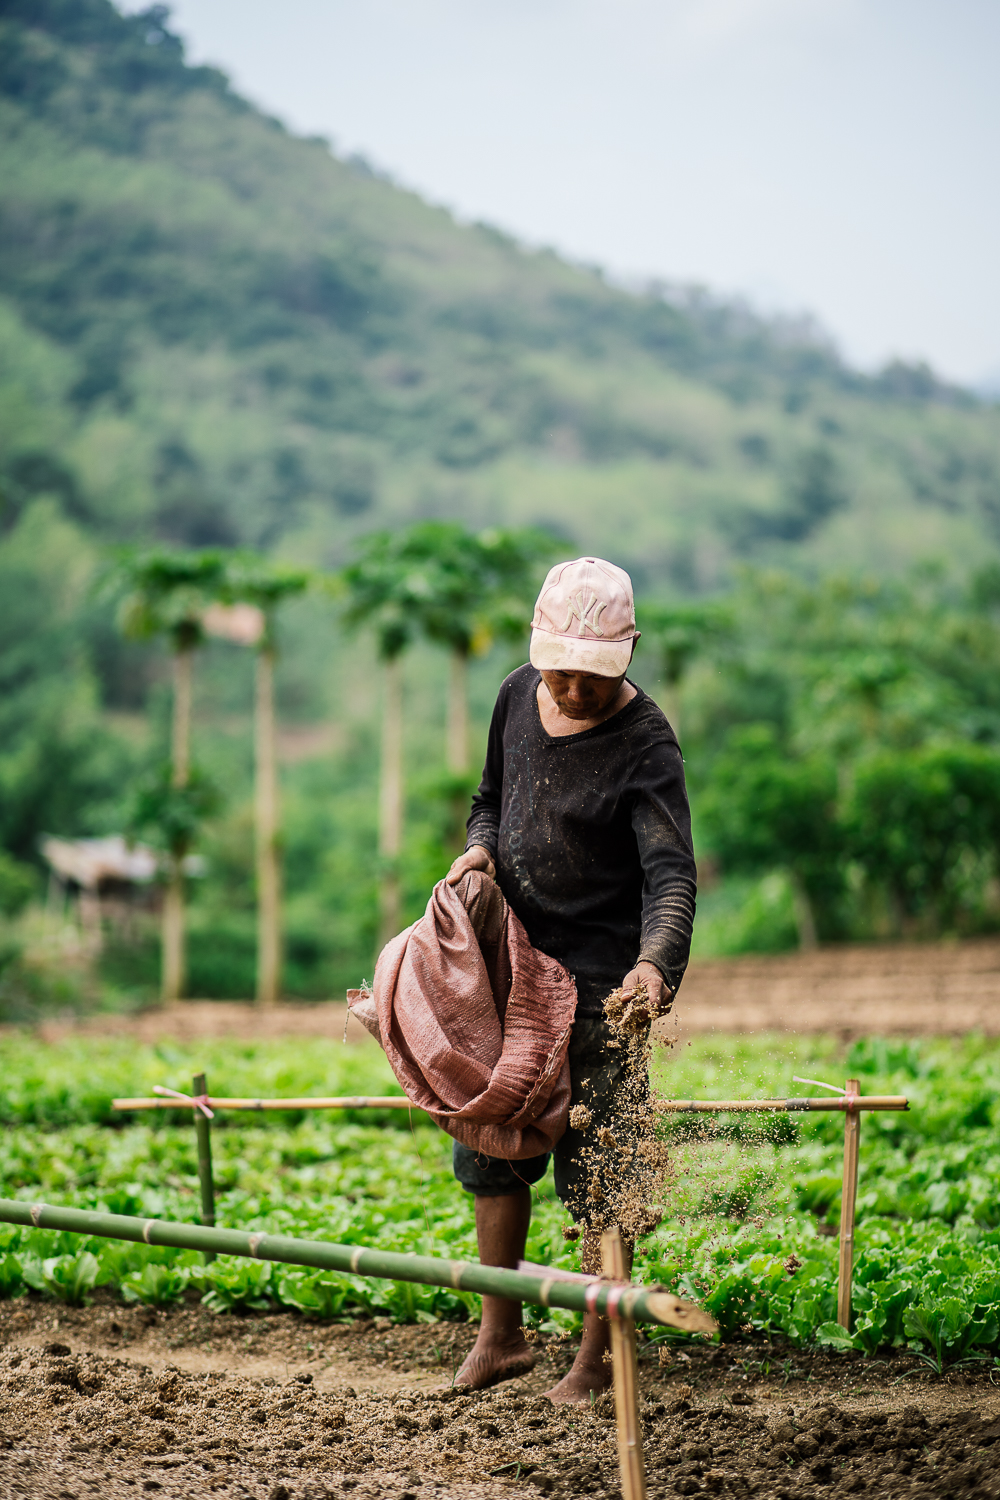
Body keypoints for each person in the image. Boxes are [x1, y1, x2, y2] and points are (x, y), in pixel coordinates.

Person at [445, 556, 697, 1403]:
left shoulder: (646, 743)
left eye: (591, 676)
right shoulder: (517, 695)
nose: (572, 689)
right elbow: (489, 798)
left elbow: (671, 877)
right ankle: (501, 1335)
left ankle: (595, 1357)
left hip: (599, 990)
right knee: (491, 1151)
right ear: (537, 654)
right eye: (560, 670)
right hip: (512, 968)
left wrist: (652, 971)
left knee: (603, 1172)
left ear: (623, 658)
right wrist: (482, 846)